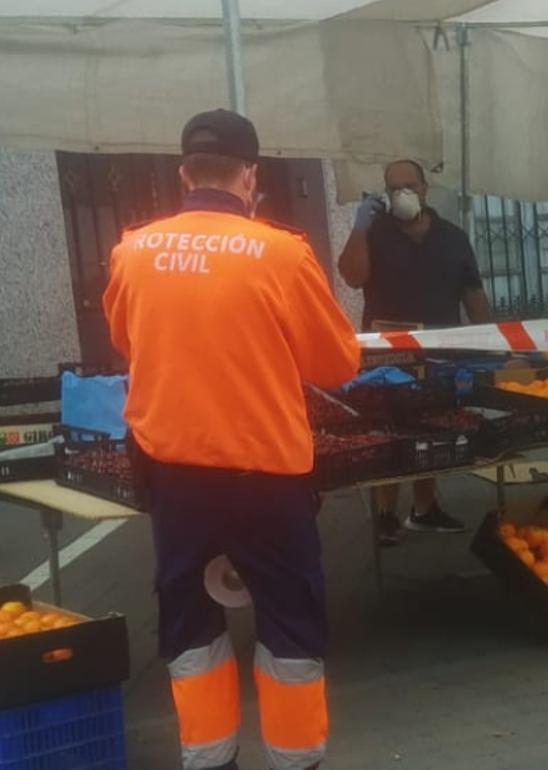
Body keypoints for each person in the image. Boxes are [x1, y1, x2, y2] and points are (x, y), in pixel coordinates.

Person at [103, 109, 361, 770]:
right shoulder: (280, 253)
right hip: (266, 479)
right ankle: (296, 760)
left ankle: (209, 759)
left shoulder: (133, 249)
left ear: (185, 173)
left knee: (190, 626)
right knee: (290, 626)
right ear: (250, 176)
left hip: (176, 476)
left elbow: (125, 342)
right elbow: (336, 365)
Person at [337, 159, 491, 545]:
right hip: (386, 357)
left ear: (425, 188)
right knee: (387, 433)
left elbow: (473, 292)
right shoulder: (375, 234)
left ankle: (424, 509)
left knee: (431, 428)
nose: (403, 193)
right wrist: (359, 227)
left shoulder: (452, 237)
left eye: (409, 185)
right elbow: (352, 277)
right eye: (394, 188)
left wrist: (491, 341)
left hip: (439, 353)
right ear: (385, 195)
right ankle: (384, 515)